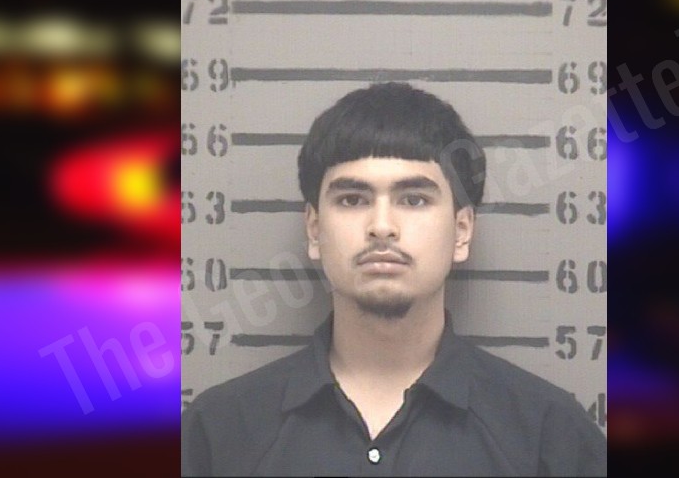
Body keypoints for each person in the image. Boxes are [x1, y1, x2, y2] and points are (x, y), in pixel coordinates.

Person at [181, 82, 607, 476]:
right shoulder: (217, 434)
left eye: (414, 199)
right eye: (352, 199)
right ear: (314, 229)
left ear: (461, 231)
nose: (382, 226)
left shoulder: (550, 438)